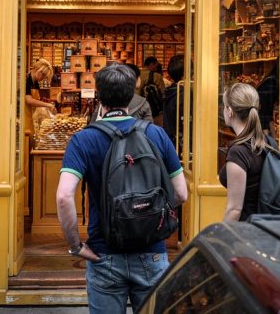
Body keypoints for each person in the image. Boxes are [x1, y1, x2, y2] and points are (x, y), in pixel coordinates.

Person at [56, 64, 188, 314]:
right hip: (152, 253)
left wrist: (75, 246)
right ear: (132, 95)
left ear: (98, 95)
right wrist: (149, 213)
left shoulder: (84, 139)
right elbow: (181, 193)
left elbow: (64, 196)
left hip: (103, 253)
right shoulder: (157, 135)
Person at [221, 83, 268, 223]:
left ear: (229, 111)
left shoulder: (238, 153)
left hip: (246, 230)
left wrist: (221, 238)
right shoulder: (267, 142)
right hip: (267, 226)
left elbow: (234, 210)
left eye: (224, 106)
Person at [162, 54, 185, 147]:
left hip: (170, 140)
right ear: (185, 73)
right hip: (180, 142)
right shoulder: (184, 93)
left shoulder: (169, 91)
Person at [139, 56, 166, 125]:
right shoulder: (156, 76)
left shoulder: (136, 75)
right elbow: (163, 93)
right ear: (151, 64)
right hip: (155, 111)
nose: (156, 68)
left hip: (139, 108)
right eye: (155, 66)